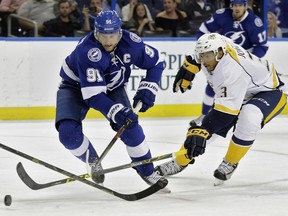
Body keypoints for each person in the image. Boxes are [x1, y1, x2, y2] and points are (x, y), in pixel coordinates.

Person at [155, 32, 287, 184]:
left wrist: (203, 131)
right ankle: (180, 160)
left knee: (248, 117)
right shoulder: (217, 48)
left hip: (269, 90)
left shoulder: (230, 70)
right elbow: (206, 46)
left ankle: (231, 161)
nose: (204, 61)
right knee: (202, 127)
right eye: (201, 56)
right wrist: (192, 63)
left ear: (219, 53)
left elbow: (225, 115)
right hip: (243, 87)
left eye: (207, 56)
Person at [55, 10, 168, 188]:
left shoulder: (131, 43)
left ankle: (147, 171)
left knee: (131, 128)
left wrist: (149, 87)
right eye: (103, 36)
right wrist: (117, 112)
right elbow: (93, 96)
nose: (108, 41)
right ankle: (92, 160)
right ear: (96, 32)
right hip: (74, 87)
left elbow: (157, 62)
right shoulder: (88, 51)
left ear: (120, 32)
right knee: (67, 133)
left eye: (113, 35)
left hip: (112, 88)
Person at [191, 0, 269, 126]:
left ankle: (239, 117)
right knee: (212, 86)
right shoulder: (221, 15)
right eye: (235, 5)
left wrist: (249, 61)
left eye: (240, 5)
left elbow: (262, 46)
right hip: (222, 57)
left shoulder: (254, 22)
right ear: (231, 6)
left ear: (245, 6)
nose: (237, 8)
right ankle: (204, 115)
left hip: (243, 61)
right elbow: (202, 31)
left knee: (240, 90)